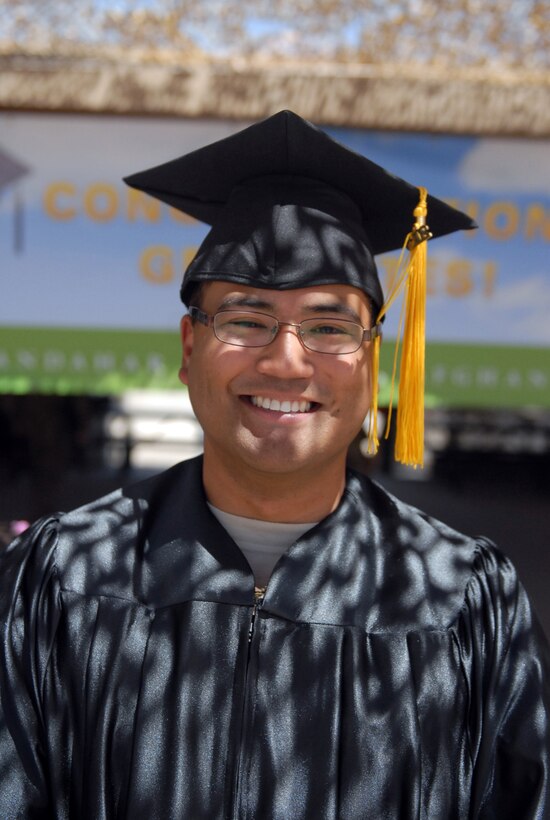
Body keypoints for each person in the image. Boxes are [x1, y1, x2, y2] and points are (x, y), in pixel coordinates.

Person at [0, 111, 548, 819]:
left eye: (329, 327)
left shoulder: (462, 599)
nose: (288, 361)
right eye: (246, 319)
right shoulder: (64, 576)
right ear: (190, 346)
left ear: (373, 360)